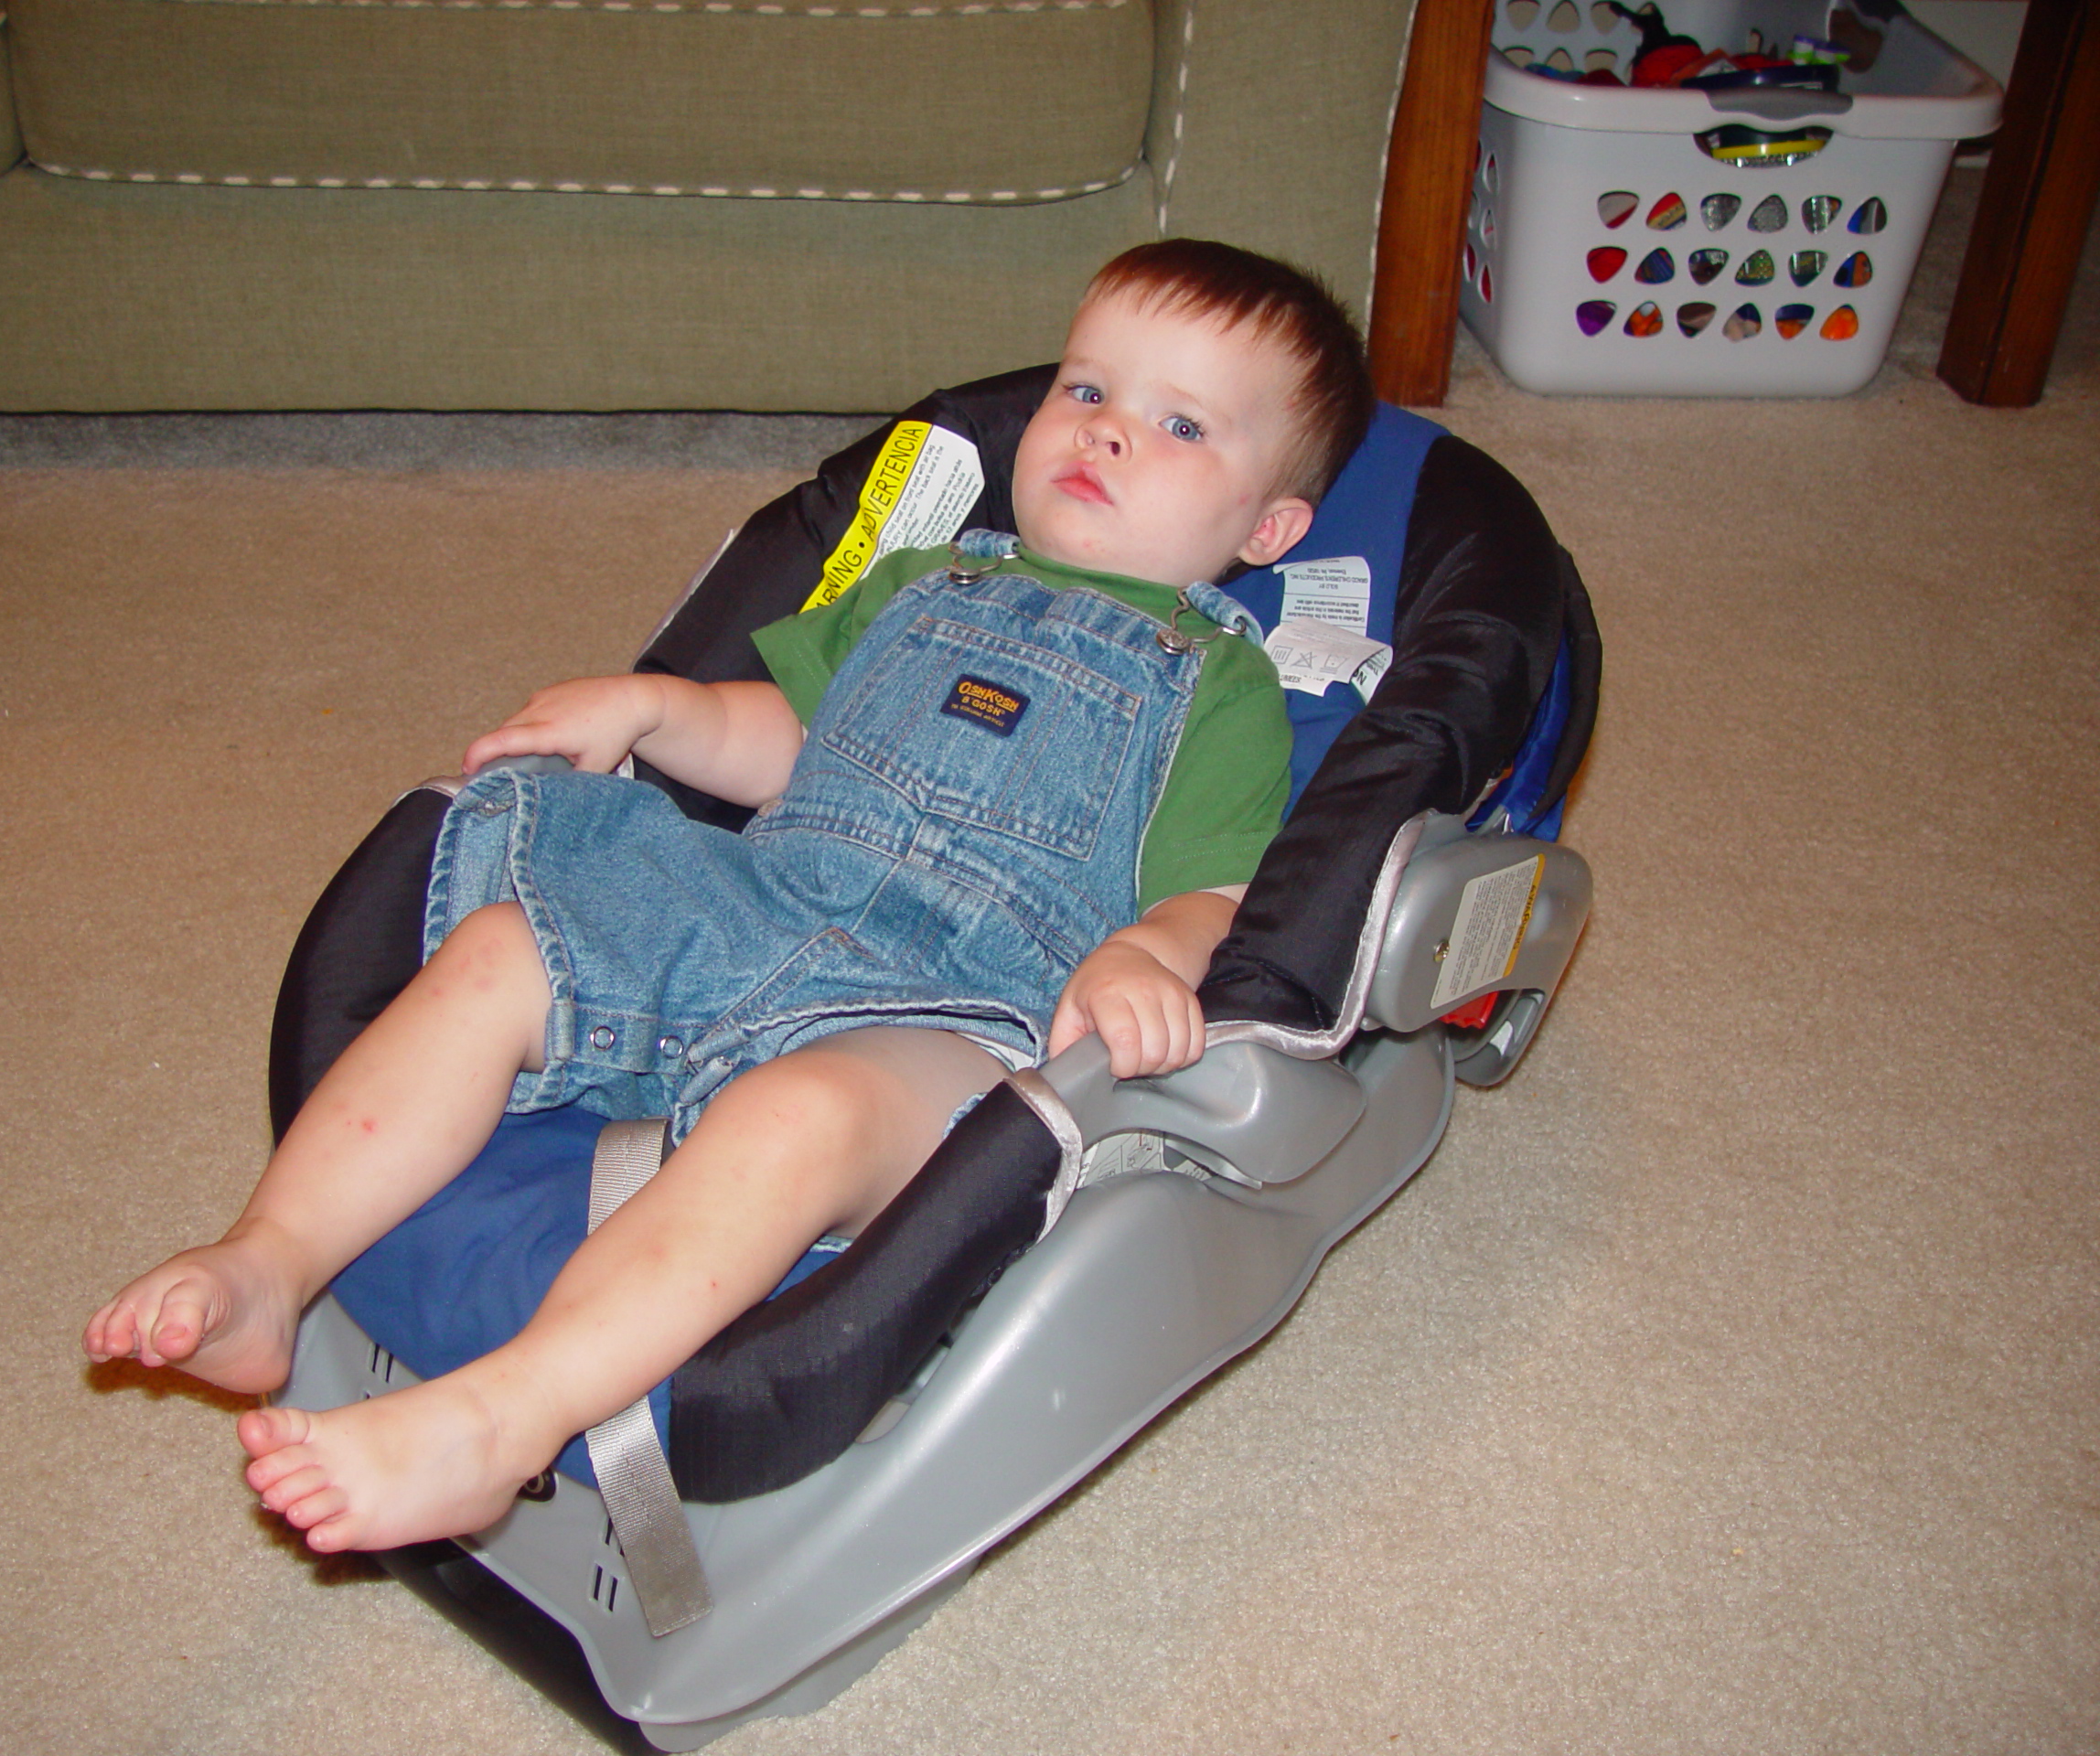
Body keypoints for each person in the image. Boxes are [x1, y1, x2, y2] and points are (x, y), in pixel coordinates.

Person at [85, 239, 1376, 1554]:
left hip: (948, 1009)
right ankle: (270, 1262)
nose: (1106, 436)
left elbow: (1224, 886)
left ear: (1265, 532)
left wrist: (1152, 953)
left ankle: (501, 1425)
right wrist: (661, 707)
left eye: (1179, 425)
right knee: (497, 951)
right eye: (1087, 390)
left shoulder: (1217, 685)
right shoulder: (924, 580)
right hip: (758, 900)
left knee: (796, 1115)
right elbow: (788, 743)